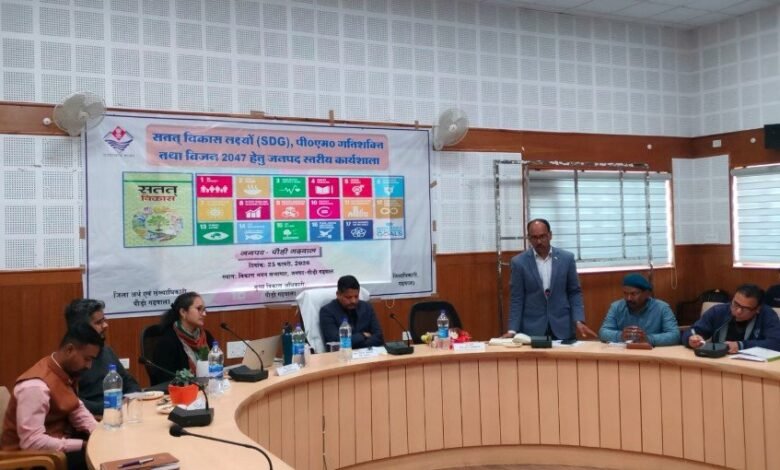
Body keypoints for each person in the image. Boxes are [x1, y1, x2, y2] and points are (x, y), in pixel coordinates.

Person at [1, 322, 102, 470]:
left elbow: (76, 409)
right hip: (31, 461)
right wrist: (81, 445)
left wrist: (99, 433)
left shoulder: (62, 372)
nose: (89, 366)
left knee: (104, 451)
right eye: (87, 359)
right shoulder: (35, 386)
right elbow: (32, 443)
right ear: (69, 350)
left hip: (55, 449)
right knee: (99, 461)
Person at [504, 219, 596, 340]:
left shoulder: (566, 258)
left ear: (550, 235)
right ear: (529, 238)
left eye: (542, 236)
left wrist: (578, 320)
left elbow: (574, 292)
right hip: (532, 329)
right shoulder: (519, 262)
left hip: (562, 326)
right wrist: (512, 329)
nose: (539, 241)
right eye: (534, 237)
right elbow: (517, 298)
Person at [64, 299, 141, 415]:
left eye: (104, 320)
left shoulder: (105, 350)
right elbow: (72, 401)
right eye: (98, 323)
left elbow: (129, 381)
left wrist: (129, 399)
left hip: (120, 412)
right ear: (82, 328)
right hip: (93, 418)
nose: (105, 325)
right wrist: (110, 406)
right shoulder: (71, 358)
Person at [683, 283, 780, 353]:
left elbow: (776, 343)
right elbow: (692, 331)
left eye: (745, 308)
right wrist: (691, 339)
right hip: (718, 360)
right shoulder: (718, 311)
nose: (738, 311)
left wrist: (741, 345)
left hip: (753, 365)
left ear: (757, 309)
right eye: (736, 304)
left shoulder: (767, 315)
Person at [150, 292, 214, 386]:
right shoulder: (167, 342)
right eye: (199, 309)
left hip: (207, 387)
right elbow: (166, 380)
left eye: (204, 310)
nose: (204, 314)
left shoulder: (206, 336)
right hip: (181, 392)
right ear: (183, 312)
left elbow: (217, 365)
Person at [598, 273, 680, 346]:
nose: (628, 298)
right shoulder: (616, 307)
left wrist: (649, 339)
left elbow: (675, 335)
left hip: (653, 354)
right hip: (625, 354)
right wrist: (620, 336)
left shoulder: (662, 308)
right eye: (625, 293)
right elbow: (603, 332)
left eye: (633, 294)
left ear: (647, 293)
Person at [319, 275, 384, 349]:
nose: (353, 301)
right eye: (348, 297)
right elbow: (336, 342)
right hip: (342, 355)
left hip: (368, 353)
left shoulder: (367, 307)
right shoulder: (327, 311)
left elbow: (379, 337)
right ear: (338, 295)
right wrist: (362, 335)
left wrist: (354, 343)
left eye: (356, 296)